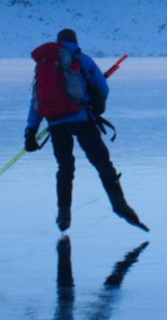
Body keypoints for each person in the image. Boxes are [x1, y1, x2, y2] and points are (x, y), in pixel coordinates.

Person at [25, 28, 147, 232]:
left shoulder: (44, 65)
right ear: (75, 41)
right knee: (102, 163)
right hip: (82, 120)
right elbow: (102, 87)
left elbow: (36, 101)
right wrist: (95, 106)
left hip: (56, 124)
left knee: (65, 168)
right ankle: (119, 204)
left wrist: (30, 132)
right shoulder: (81, 59)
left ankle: (63, 215)